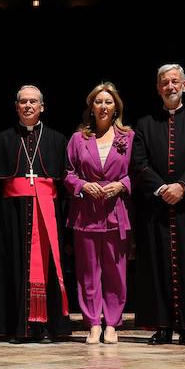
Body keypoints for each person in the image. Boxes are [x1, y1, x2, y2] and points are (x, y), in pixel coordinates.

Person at [132, 64, 185, 345]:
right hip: (157, 206)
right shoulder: (144, 124)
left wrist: (182, 186)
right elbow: (140, 164)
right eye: (165, 83)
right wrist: (161, 188)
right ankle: (163, 325)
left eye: (175, 82)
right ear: (158, 88)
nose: (170, 86)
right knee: (158, 264)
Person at [0, 85, 71, 342]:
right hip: (11, 214)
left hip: (48, 212)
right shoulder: (2, 139)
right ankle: (17, 327)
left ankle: (45, 326)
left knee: (46, 267)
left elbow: (64, 183)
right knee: (13, 266)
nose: (28, 106)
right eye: (23, 102)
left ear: (42, 106)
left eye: (33, 101)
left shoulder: (57, 139)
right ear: (16, 106)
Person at [64, 82, 132, 345]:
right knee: (88, 272)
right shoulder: (78, 138)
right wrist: (82, 185)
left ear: (116, 107)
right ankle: (93, 322)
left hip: (116, 213)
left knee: (116, 271)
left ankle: (112, 324)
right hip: (87, 213)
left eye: (108, 102)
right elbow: (68, 174)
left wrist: (122, 185)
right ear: (91, 107)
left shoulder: (129, 137)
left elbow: (137, 173)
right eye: (98, 102)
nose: (103, 107)